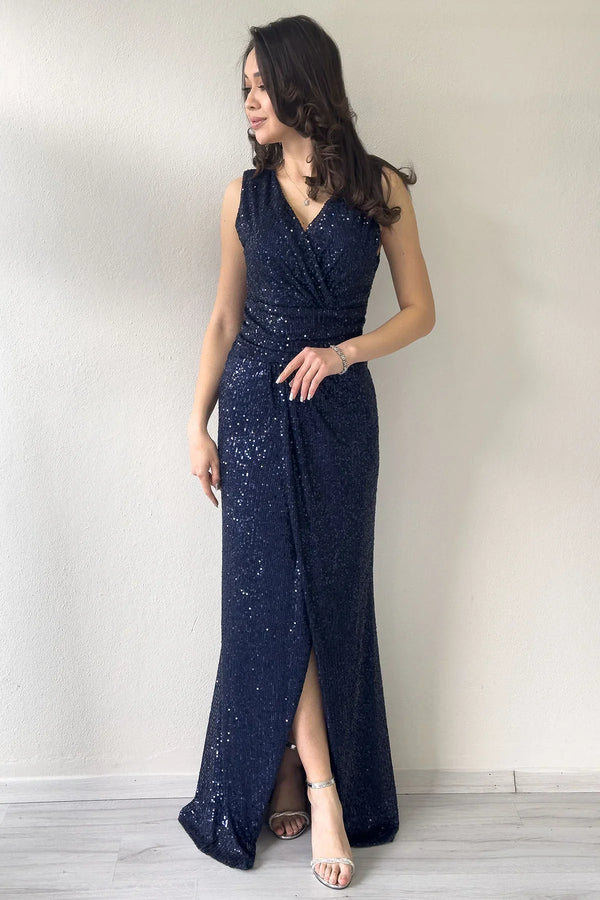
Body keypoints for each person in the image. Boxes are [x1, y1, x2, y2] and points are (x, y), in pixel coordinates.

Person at [178, 13, 435, 890]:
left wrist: (344, 352)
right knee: (271, 600)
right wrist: (196, 422)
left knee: (327, 595)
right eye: (244, 88)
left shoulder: (381, 187)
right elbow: (225, 318)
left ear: (304, 84)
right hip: (254, 412)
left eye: (262, 85)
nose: (249, 101)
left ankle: (291, 767)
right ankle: (321, 789)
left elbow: (420, 311)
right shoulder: (240, 197)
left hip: (338, 418)